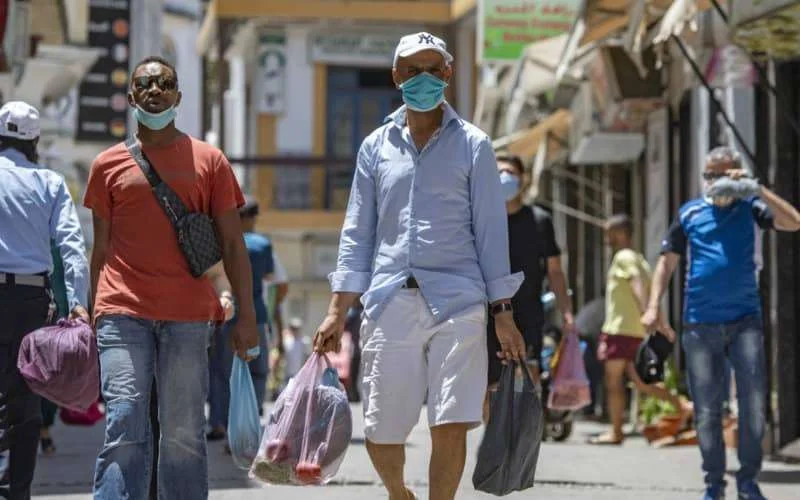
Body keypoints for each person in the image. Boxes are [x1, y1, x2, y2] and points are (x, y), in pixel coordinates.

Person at [313, 32, 525, 500]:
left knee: (451, 419)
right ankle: (397, 491)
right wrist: (336, 308)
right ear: (396, 77)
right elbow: (357, 232)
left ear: (447, 74)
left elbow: (492, 232)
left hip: (460, 300)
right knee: (381, 426)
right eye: (412, 70)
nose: (423, 79)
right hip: (389, 300)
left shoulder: (474, 145)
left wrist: (503, 311)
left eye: (432, 69)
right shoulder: (375, 147)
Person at [84, 56, 258, 500]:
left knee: (182, 432)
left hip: (187, 317)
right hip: (122, 313)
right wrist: (92, 316)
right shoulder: (106, 165)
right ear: (131, 99)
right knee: (125, 421)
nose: (155, 90)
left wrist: (248, 317)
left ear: (178, 96)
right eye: (145, 84)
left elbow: (234, 245)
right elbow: (100, 249)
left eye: (165, 83)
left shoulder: (211, 161)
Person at [642, 146, 800, 500]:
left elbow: (794, 221)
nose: (713, 181)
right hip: (700, 324)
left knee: (754, 404)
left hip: (745, 321)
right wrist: (654, 306)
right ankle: (714, 484)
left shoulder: (752, 209)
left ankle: (748, 481)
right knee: (708, 410)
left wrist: (757, 188)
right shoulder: (690, 213)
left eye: (721, 174)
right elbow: (666, 264)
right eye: (709, 175)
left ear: (737, 174)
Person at [0, 101, 90, 499]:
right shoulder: (50, 183)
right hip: (30, 303)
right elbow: (72, 246)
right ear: (35, 141)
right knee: (24, 404)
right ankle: (16, 492)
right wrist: (78, 302)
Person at [589, 214, 690, 446]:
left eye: (609, 232)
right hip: (633, 331)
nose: (606, 237)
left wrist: (647, 313)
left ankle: (616, 432)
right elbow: (650, 291)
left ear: (621, 233)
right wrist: (659, 322)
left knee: (614, 382)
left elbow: (636, 284)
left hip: (620, 330)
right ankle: (683, 406)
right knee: (643, 382)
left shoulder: (624, 257)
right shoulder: (641, 259)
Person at [485, 154, 572, 420]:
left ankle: (523, 436)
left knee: (529, 373)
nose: (504, 177)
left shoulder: (540, 220)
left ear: (522, 179)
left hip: (529, 311)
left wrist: (567, 313)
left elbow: (555, 271)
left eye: (510, 171)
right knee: (491, 382)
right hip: (489, 313)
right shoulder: (483, 219)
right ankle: (494, 442)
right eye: (498, 172)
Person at [282, 318, 311, 383]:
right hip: (287, 375)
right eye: (293, 328)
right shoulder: (286, 341)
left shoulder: (305, 342)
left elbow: (308, 358)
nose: (295, 330)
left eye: (296, 328)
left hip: (300, 375)